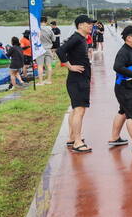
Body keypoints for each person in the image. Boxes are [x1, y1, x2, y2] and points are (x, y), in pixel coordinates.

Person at [57, 14, 95, 153]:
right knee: (79, 110)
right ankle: (77, 142)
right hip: (77, 79)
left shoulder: (81, 38)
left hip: (80, 79)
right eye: (88, 23)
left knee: (76, 110)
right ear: (80, 25)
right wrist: (70, 66)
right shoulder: (76, 38)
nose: (91, 25)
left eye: (91, 24)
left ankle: (72, 137)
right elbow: (60, 50)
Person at [36, 16, 56, 85]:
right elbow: (54, 39)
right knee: (49, 65)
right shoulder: (49, 29)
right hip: (48, 49)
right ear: (46, 22)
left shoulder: (36, 29)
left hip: (39, 49)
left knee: (40, 66)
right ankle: (49, 80)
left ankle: (41, 82)